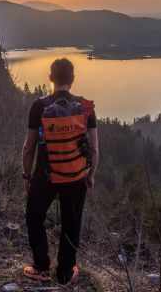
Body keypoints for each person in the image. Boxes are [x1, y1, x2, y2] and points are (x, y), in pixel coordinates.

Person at [22, 58, 99, 285]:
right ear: (72, 80)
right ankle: (65, 272)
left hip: (45, 176)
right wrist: (91, 174)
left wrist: (27, 175)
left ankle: (41, 267)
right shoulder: (86, 107)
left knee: (34, 217)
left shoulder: (39, 106)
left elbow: (29, 147)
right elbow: (94, 148)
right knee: (71, 223)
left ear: (51, 78)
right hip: (76, 177)